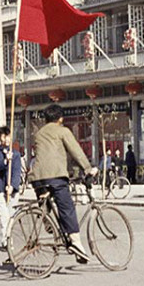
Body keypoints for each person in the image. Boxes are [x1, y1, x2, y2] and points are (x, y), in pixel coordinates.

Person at [29, 105, 96, 263]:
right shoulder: (62, 130)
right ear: (60, 118)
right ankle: (76, 243)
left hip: (37, 177)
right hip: (56, 176)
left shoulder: (38, 134)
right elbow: (75, 151)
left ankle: (46, 216)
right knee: (67, 208)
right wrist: (87, 169)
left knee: (46, 197)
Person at [0, 126, 22, 247]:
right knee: (3, 215)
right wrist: (5, 161)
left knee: (12, 215)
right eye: (3, 136)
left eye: (8, 136)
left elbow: (17, 171)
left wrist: (12, 185)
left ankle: (9, 236)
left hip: (12, 189)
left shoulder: (16, 154)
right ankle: (6, 240)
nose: (6, 139)